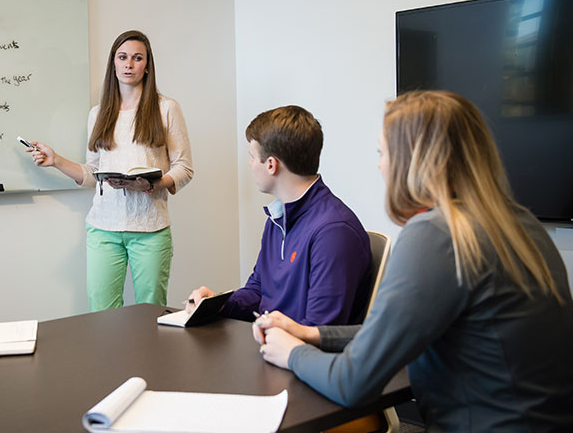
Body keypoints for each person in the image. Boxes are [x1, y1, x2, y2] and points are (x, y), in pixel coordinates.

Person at [255, 91, 573, 431]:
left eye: (382, 152)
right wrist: (311, 334)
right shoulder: (519, 223)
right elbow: (390, 332)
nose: (379, 164)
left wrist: (291, 352)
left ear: (412, 160)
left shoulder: (437, 233)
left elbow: (353, 382)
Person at [27, 30, 193, 311]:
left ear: (147, 65)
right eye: (123, 57)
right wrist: (56, 160)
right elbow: (93, 173)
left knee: (150, 312)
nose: (129, 64)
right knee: (102, 314)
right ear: (113, 63)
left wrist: (152, 184)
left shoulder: (166, 108)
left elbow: (185, 168)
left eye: (137, 58)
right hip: (103, 229)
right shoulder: (99, 112)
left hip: (150, 229)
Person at [187, 105, 372, 326]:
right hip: (273, 346)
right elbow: (258, 291)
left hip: (300, 356)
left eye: (252, 157)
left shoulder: (334, 232)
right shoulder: (277, 218)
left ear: (271, 165)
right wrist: (218, 303)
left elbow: (321, 329)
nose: (250, 164)